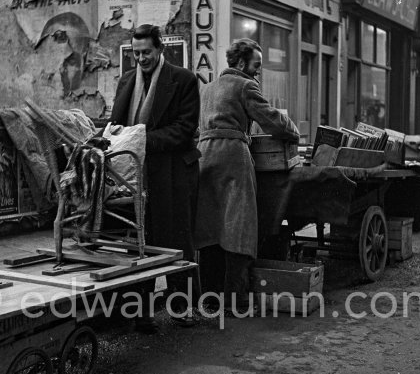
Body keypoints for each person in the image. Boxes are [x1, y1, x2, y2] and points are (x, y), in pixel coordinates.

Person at [196, 38, 299, 313]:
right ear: (241, 63)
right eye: (256, 65)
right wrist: (293, 131)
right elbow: (271, 119)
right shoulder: (245, 85)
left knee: (209, 229)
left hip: (204, 157)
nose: (258, 71)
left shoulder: (206, 88)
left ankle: (208, 297)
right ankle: (236, 299)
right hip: (233, 157)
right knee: (238, 227)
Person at [110, 24, 200, 331]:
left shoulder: (184, 80)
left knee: (176, 241)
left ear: (160, 49)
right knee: (139, 242)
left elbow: (184, 129)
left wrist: (141, 138)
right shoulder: (125, 82)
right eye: (136, 53)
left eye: (146, 52)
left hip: (173, 172)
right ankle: (141, 312)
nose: (141, 58)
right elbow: (116, 125)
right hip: (138, 174)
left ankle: (183, 308)